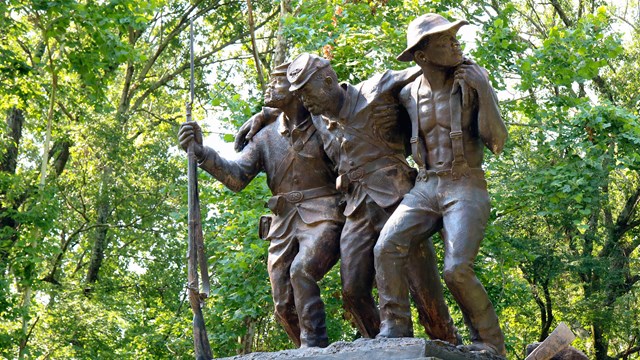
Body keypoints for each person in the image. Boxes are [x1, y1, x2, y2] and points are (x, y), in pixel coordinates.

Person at [282, 53, 459, 343]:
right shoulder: (317, 115)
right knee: (353, 290)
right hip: (357, 209)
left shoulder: (375, 89)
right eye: (298, 94)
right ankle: (385, 343)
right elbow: (285, 112)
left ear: (328, 80)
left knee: (425, 292)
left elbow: (425, 68)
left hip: (398, 201)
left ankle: (452, 346)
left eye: (306, 90)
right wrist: (261, 116)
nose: (303, 99)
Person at [178, 63, 344, 348]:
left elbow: (345, 154)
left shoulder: (324, 123)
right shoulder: (265, 136)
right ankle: (307, 349)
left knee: (301, 271)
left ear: (295, 89)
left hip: (324, 213)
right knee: (282, 302)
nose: (268, 88)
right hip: (283, 222)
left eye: (277, 83)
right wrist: (202, 152)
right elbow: (237, 177)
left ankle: (314, 346)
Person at [373, 14, 508, 356]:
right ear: (422, 55)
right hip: (427, 185)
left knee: (457, 269)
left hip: (465, 182)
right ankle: (395, 329)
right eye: (445, 41)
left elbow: (497, 141)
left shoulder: (471, 81)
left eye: (454, 38)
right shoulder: (405, 93)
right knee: (386, 248)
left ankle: (490, 343)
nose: (455, 44)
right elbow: (354, 102)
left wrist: (484, 88)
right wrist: (269, 114)